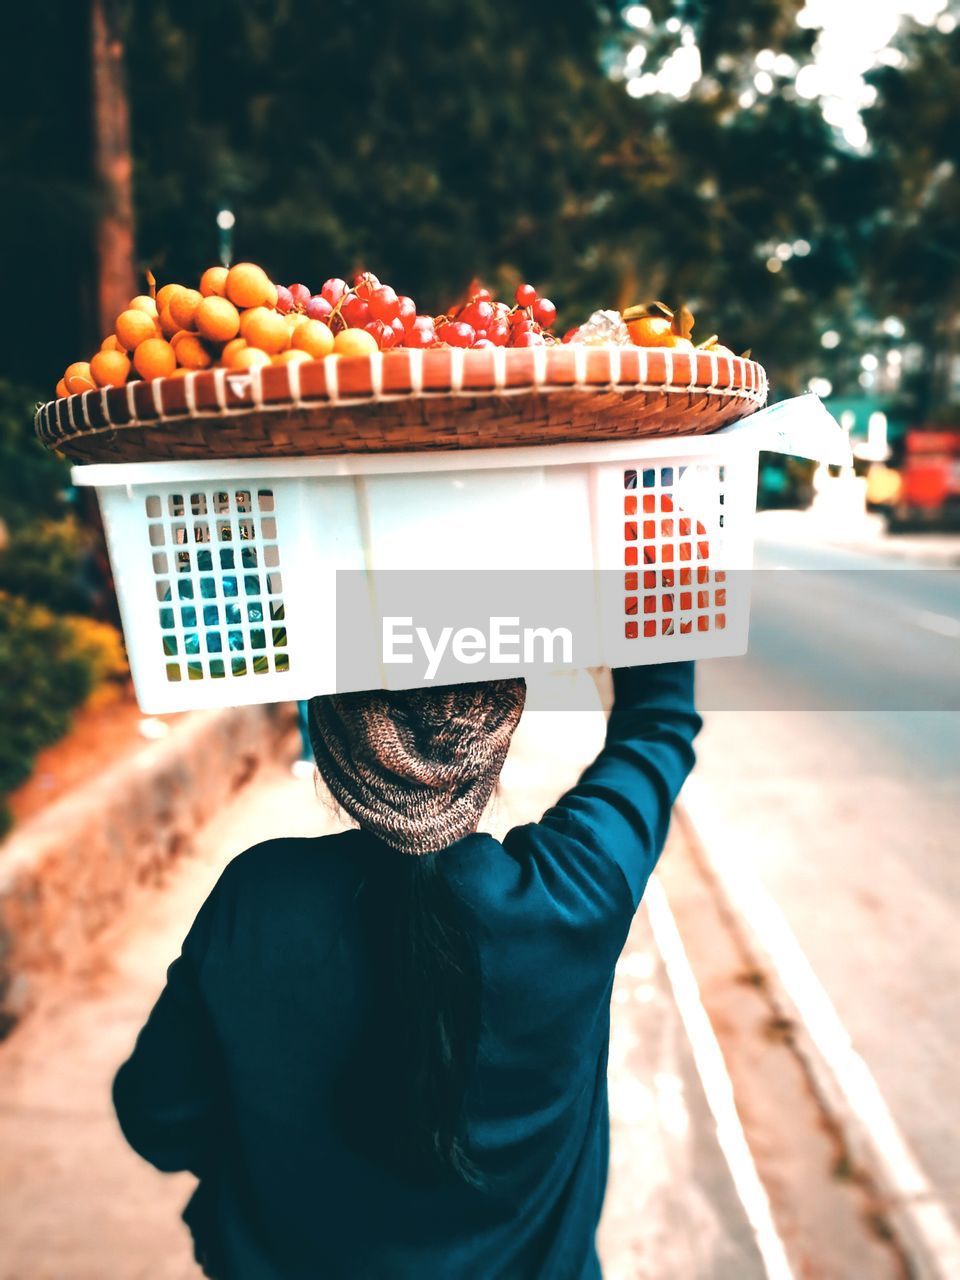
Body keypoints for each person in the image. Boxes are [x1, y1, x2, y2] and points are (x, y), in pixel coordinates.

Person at [113, 662, 701, 1279]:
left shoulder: (255, 901)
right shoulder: (572, 898)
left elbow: (158, 1121)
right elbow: (657, 725)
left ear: (332, 742)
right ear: (494, 736)